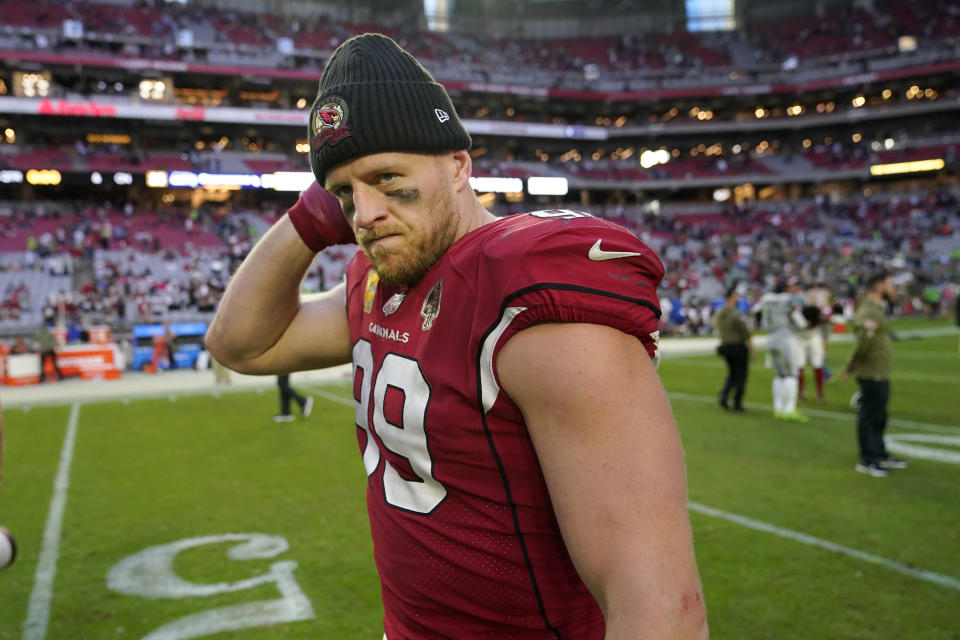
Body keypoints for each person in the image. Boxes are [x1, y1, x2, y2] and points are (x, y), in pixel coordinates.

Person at [206, 33, 707, 640]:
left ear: (458, 165)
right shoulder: (381, 279)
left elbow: (656, 604)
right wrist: (310, 219)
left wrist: (348, 179)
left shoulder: (537, 304)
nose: (363, 215)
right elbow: (241, 344)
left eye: (387, 177)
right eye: (345, 194)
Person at [841, 271, 907, 477]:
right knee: (869, 416)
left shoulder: (876, 308)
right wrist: (850, 365)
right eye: (889, 284)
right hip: (871, 372)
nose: (893, 288)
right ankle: (868, 459)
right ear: (878, 286)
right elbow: (863, 342)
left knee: (879, 415)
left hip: (880, 370)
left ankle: (879, 453)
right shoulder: (868, 311)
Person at [754, 279, 809, 422]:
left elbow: (755, 310)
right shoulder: (789, 299)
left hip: (771, 337)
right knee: (791, 374)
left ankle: (778, 408)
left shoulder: (767, 298)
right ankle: (789, 410)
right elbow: (799, 319)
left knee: (779, 374)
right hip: (785, 337)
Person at [713, 286, 752, 412]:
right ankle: (737, 402)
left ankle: (724, 395)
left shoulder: (720, 312)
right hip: (738, 346)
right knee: (741, 375)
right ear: (732, 297)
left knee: (732, 373)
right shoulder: (735, 313)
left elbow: (715, 325)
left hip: (725, 345)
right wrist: (751, 347)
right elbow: (744, 331)